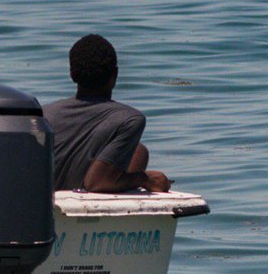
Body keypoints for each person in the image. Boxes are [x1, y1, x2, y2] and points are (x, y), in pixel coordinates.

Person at [42, 35, 172, 193]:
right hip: (84, 209)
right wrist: (144, 178)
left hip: (44, 207)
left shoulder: (44, 114)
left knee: (139, 151)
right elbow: (96, 183)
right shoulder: (129, 120)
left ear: (72, 75)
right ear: (115, 75)